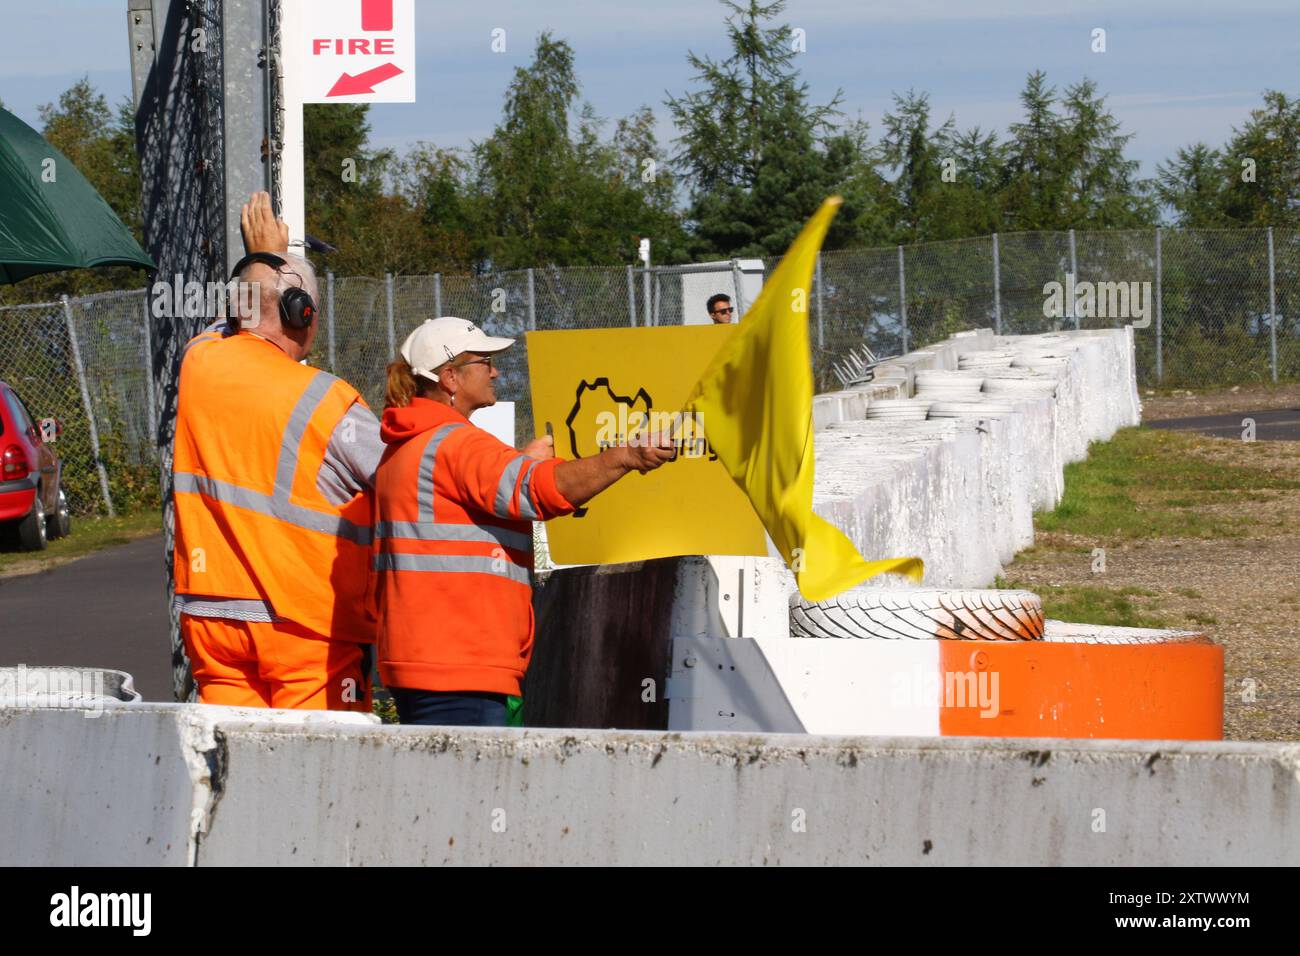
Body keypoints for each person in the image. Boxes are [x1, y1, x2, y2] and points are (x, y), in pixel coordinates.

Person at [373, 317, 676, 726]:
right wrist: (625, 456)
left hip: (424, 658)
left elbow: (473, 499)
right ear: (450, 377)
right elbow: (541, 490)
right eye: (484, 361)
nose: (495, 371)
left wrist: (520, 464)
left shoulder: (410, 445)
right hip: (462, 665)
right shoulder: (457, 444)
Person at [171, 192, 384, 711]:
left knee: (232, 767)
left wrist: (261, 263)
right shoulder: (327, 399)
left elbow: (229, 325)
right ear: (301, 312)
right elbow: (409, 476)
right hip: (304, 621)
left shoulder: (197, 365)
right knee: (322, 771)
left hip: (212, 617)